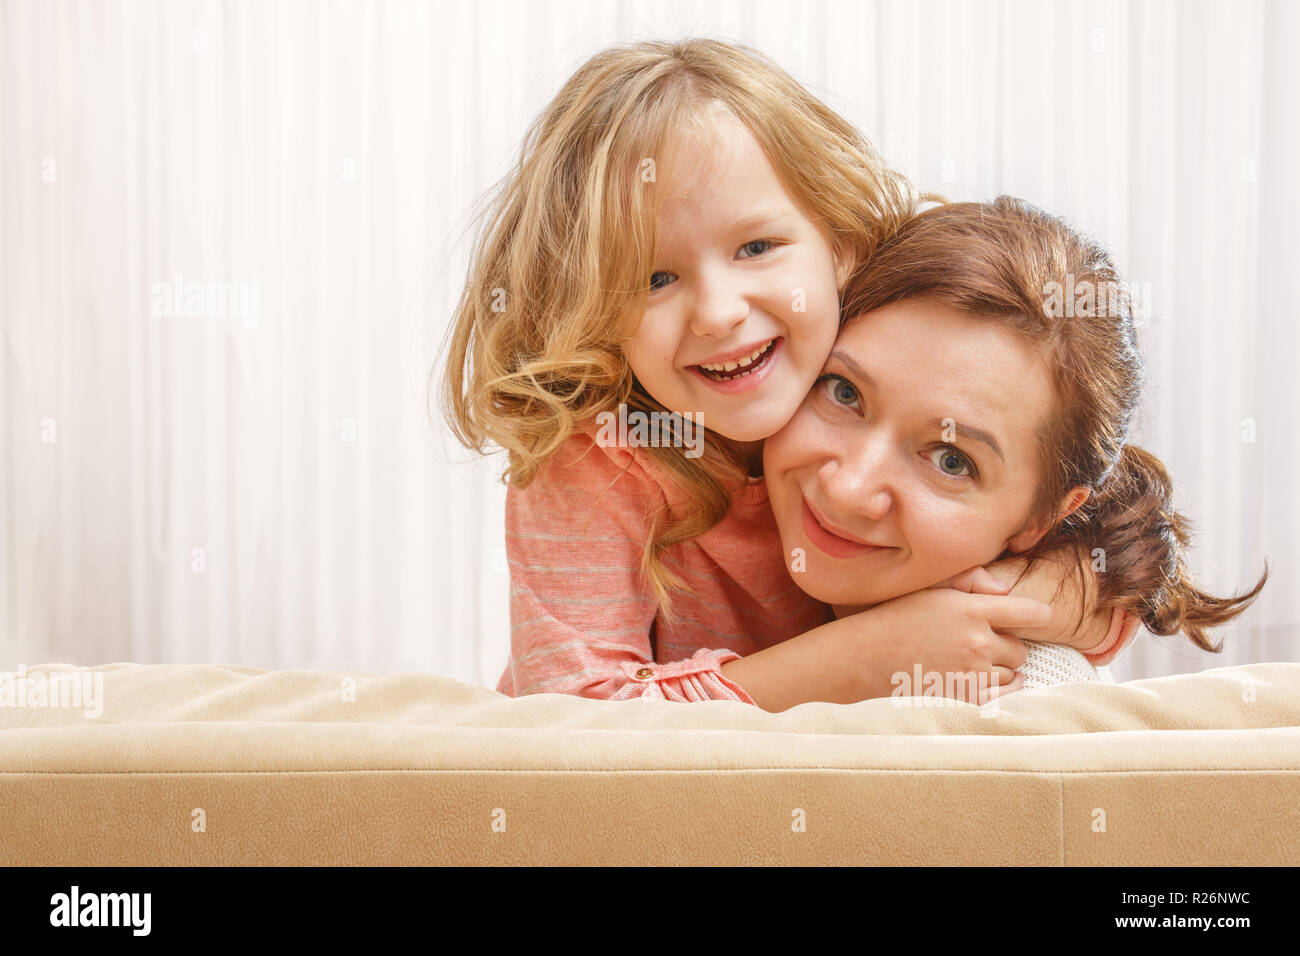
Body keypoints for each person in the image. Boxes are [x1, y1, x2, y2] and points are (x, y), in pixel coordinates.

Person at [442, 39, 1132, 708]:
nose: (717, 314)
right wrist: (865, 657)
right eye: (652, 278)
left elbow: (1123, 557)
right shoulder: (603, 455)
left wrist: (1050, 596)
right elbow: (569, 723)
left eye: (757, 246)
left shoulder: (887, 334)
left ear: (840, 243)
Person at [750, 196, 1268, 710]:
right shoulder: (725, 440)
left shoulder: (1004, 702)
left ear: (1045, 516)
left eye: (951, 460)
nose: (847, 489)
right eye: (844, 392)